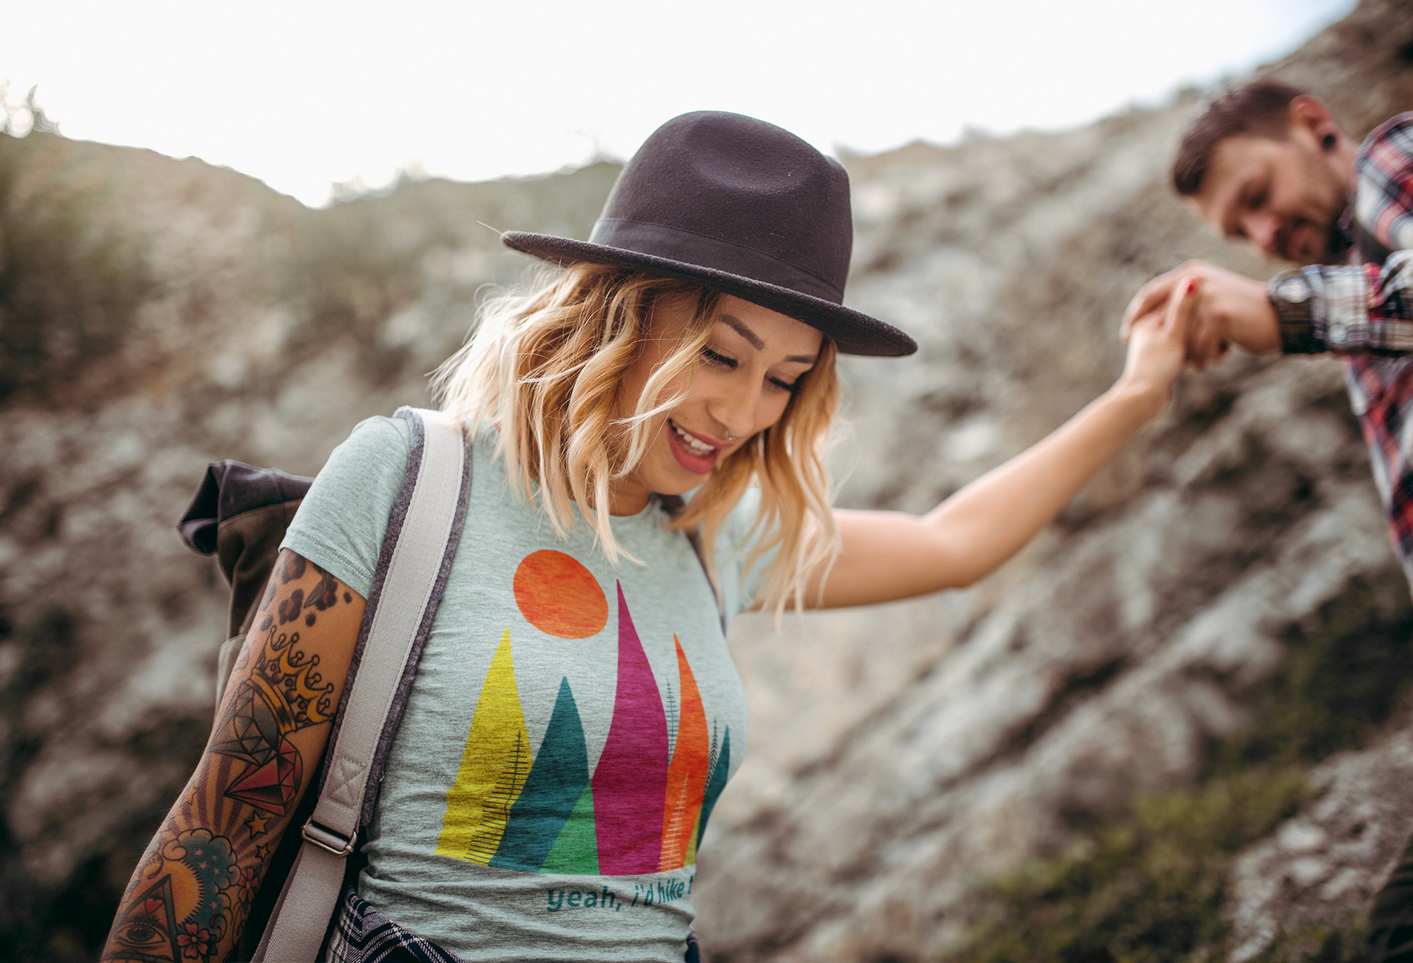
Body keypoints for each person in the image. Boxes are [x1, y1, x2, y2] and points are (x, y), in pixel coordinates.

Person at [104, 110, 1193, 963]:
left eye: (784, 377)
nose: (743, 414)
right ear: (617, 312)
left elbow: (954, 542)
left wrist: (1138, 394)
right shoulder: (407, 478)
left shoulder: (713, 536)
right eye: (721, 355)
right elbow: (223, 824)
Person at [1122, 80, 1413, 959]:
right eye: (1241, 231)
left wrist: (1289, 313)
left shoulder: (1395, 158)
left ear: (1313, 127)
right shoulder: (1367, 302)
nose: (1263, 237)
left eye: (1257, 197)